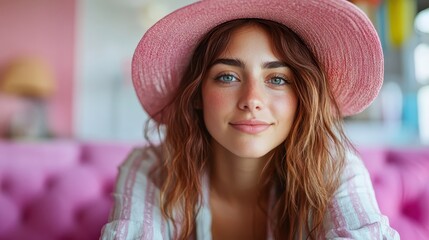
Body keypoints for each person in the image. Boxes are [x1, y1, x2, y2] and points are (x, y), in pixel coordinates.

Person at [101, 0, 400, 239]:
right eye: (228, 76)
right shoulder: (152, 169)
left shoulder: (335, 167)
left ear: (303, 98)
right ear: (196, 95)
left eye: (278, 79)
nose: (252, 100)